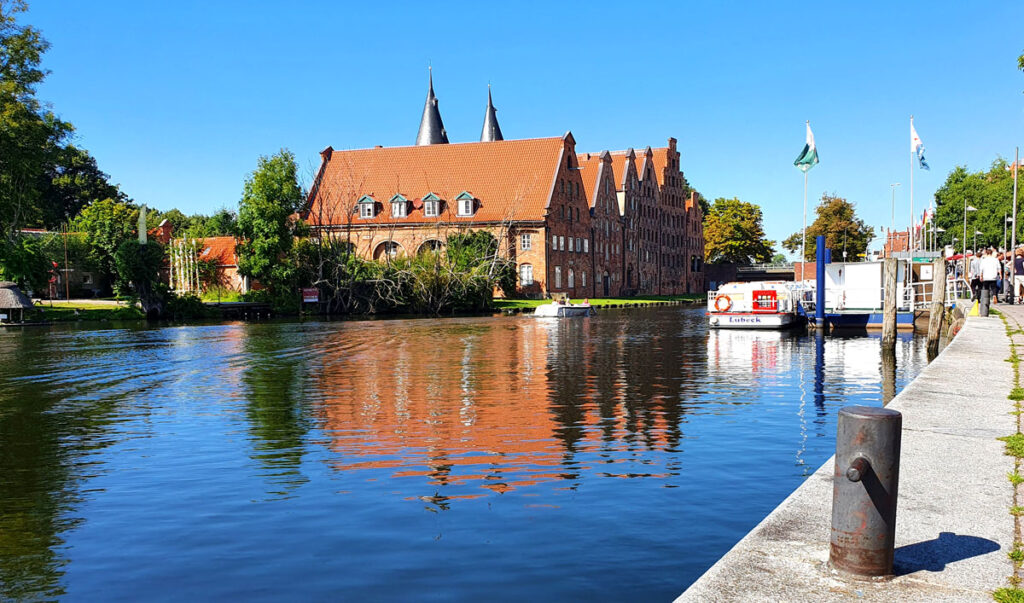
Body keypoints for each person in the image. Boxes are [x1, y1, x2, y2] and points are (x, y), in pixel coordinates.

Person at [979, 247, 1001, 316]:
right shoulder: (995, 259)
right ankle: (994, 295)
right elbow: (999, 268)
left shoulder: (984, 260)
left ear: (986, 253)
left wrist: (981, 276)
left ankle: (986, 299)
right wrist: (1000, 275)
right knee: (994, 287)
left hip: (986, 276)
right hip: (993, 276)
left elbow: (981, 269)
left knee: (986, 288)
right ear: (991, 253)